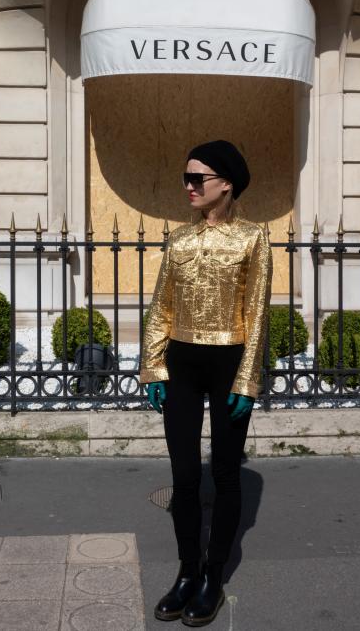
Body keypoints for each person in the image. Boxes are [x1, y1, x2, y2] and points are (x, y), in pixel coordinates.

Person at [141, 140, 272, 627]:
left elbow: (257, 313)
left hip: (228, 360)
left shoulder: (253, 238)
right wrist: (154, 365)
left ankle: (214, 578)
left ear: (227, 183)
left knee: (224, 474)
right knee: (183, 474)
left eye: (200, 178)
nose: (189, 185)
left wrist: (247, 379)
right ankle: (186, 573)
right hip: (182, 359)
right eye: (186, 177)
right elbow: (162, 304)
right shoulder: (178, 239)